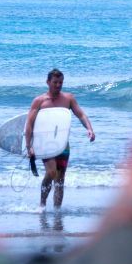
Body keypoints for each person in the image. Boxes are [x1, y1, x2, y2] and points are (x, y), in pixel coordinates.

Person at [25, 69, 95, 208]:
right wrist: (29, 146)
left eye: (61, 82)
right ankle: (42, 205)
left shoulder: (68, 99)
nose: (58, 85)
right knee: (51, 173)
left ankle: (57, 212)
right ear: (48, 82)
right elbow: (29, 124)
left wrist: (89, 129)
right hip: (45, 143)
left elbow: (81, 115)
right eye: (55, 82)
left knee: (60, 180)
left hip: (63, 143)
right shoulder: (39, 101)